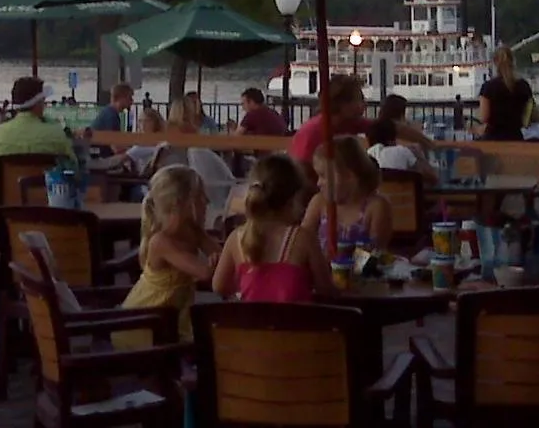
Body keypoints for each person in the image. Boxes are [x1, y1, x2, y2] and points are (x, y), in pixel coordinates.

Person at [113, 166, 221, 348]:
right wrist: (218, 260)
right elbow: (204, 272)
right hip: (143, 325)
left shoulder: (193, 231)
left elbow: (221, 256)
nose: (208, 201)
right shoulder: (161, 242)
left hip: (170, 322)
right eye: (201, 196)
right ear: (183, 203)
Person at [212, 155, 335, 302]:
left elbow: (219, 286)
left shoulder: (236, 238)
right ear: (293, 200)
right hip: (297, 324)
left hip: (248, 324)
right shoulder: (303, 238)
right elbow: (326, 290)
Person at [290, 74, 432, 180]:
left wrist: (429, 143)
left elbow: (391, 127)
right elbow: (302, 173)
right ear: (343, 104)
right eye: (359, 99)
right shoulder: (314, 131)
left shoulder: (348, 123)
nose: (364, 104)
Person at [302, 135, 393, 255]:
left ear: (349, 176)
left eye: (323, 176)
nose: (318, 183)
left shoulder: (376, 206)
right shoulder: (319, 202)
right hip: (321, 270)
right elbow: (302, 239)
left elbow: (377, 251)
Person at [0, 77, 75, 190]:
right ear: (38, 103)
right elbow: (74, 171)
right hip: (47, 206)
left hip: (5, 207)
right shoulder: (56, 133)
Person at [478, 46, 533, 141]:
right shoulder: (524, 86)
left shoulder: (488, 87)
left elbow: (484, 117)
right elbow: (527, 118)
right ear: (513, 62)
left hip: (493, 139)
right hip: (516, 138)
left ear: (495, 63)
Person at [366, 118, 438, 185]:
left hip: (381, 197)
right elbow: (433, 179)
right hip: (407, 197)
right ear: (392, 138)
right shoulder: (402, 152)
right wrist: (418, 154)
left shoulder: (368, 155)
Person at [90, 83, 134, 157]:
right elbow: (116, 148)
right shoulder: (111, 116)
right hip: (102, 158)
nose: (132, 101)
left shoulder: (108, 112)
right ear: (121, 98)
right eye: (129, 98)